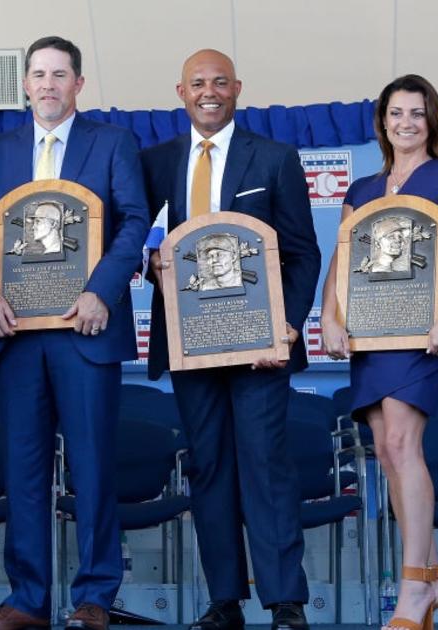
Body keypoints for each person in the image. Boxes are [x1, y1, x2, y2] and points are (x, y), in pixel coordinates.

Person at [0, 36, 148, 630]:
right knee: (22, 468)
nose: (48, 84)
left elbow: (134, 221)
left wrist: (101, 290)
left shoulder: (112, 143)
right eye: (38, 74)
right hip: (16, 333)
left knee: (92, 464)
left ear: (78, 84)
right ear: (24, 84)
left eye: (59, 74)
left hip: (85, 330)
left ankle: (93, 596)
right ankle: (27, 600)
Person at [140, 49, 321, 630]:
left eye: (220, 82)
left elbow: (302, 252)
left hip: (260, 348)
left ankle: (284, 600)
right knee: (209, 467)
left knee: (265, 465)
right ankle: (225, 601)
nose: (209, 92)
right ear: (180, 91)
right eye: (198, 83)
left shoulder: (272, 158)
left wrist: (289, 325)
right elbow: (132, 239)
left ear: (238, 88)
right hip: (191, 344)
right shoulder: (155, 162)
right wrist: (151, 264)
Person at [320, 74, 438, 630]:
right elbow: (340, 263)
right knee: (386, 450)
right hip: (372, 334)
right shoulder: (362, 189)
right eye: (395, 113)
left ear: (431, 119)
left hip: (423, 333)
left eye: (416, 113)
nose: (405, 122)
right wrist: (329, 317)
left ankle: (413, 589)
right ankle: (433, 578)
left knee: (403, 442)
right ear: (382, 121)